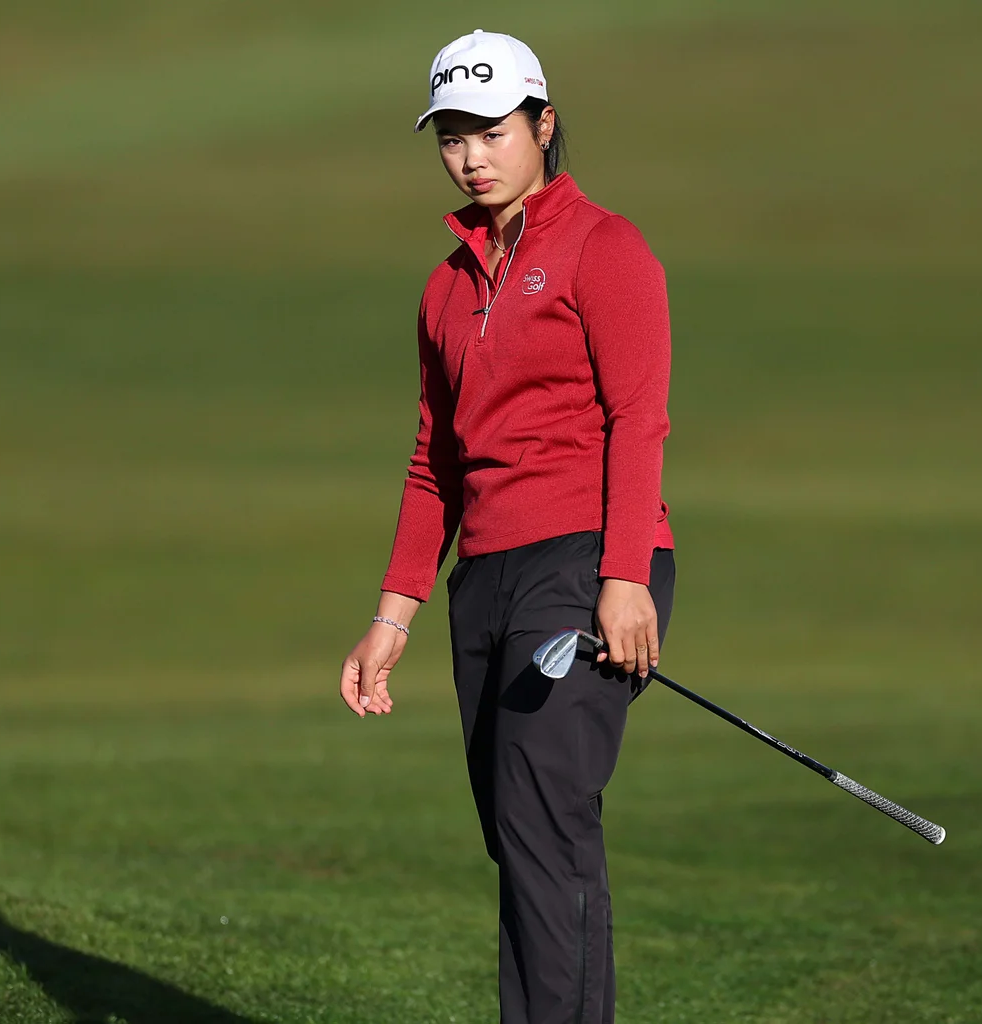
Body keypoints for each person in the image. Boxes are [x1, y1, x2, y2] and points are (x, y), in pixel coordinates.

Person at [337, 28, 676, 1024]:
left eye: (490, 129)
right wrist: (391, 618)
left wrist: (622, 577)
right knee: (516, 824)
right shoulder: (445, 287)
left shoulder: (605, 247)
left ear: (543, 123)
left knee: (542, 812)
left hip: (584, 559)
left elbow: (638, 417)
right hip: (482, 577)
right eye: (451, 135)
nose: (471, 154)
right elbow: (432, 463)